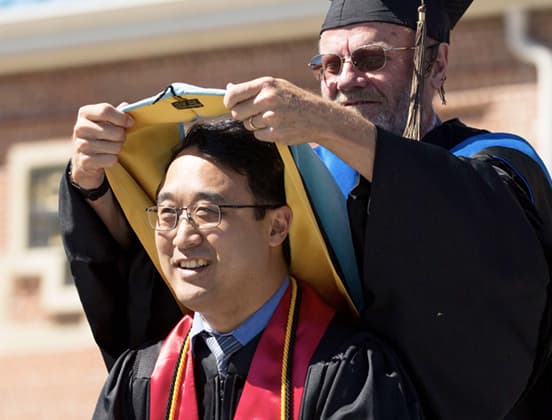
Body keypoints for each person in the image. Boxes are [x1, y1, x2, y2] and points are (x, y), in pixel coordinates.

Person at [60, 0, 552, 419]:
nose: (343, 80)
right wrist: (95, 183)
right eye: (329, 64)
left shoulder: (494, 167)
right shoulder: (305, 179)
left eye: (370, 59)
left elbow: (477, 258)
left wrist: (327, 124)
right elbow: (178, 284)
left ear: (436, 63)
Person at [89, 119, 421, 419]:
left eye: (207, 212)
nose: (182, 237)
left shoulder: (348, 374)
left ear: (277, 226)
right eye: (167, 213)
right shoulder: (139, 381)